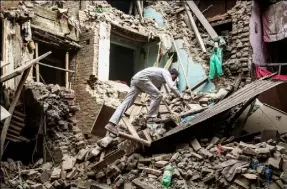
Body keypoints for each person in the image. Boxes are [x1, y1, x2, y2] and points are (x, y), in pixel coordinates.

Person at [105, 67, 182, 135]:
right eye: (175, 77)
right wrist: (180, 96)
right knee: (158, 95)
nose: (175, 79)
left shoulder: (159, 76)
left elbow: (154, 91)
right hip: (142, 79)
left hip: (136, 79)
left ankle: (111, 124)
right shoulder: (166, 72)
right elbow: (171, 86)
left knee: (126, 103)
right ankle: (151, 117)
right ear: (172, 73)